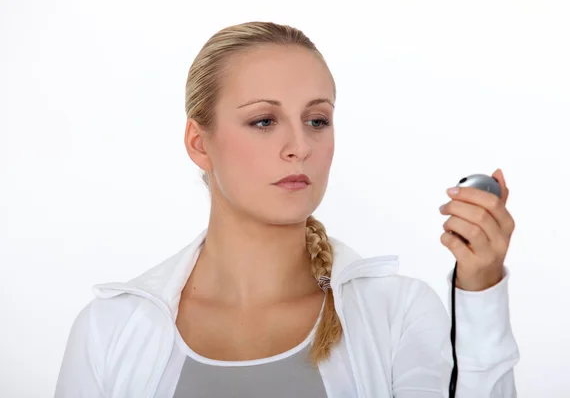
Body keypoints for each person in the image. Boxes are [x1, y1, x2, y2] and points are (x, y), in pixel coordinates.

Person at [55, 21, 519, 397]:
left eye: (317, 120)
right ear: (200, 144)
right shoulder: (109, 329)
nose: (300, 146)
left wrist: (480, 290)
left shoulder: (398, 311)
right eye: (264, 121)